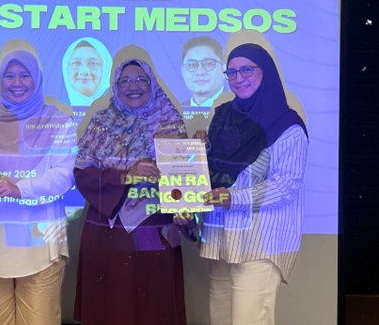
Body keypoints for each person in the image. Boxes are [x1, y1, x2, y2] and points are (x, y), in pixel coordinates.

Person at [73, 58, 194, 325]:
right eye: (125, 81)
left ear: (153, 84)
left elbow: (184, 181)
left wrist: (187, 210)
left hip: (156, 229)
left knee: (154, 307)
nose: (133, 86)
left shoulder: (171, 123)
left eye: (141, 80)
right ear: (115, 87)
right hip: (108, 231)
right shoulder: (101, 122)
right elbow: (82, 173)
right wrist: (126, 176)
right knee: (111, 306)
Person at [0, 49, 77, 325]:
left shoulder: (59, 121)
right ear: (0, 80)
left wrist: (19, 189)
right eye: (9, 76)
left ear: (37, 78)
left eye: (25, 75)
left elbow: (63, 176)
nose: (17, 83)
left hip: (40, 243)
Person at [199, 43, 308, 325]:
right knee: (220, 318)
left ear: (266, 71)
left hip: (261, 242)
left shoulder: (287, 125)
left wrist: (234, 198)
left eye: (247, 69)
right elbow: (215, 171)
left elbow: (286, 185)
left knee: (249, 319)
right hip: (221, 237)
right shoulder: (222, 115)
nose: (239, 78)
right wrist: (197, 152)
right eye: (232, 72)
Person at [62, 37, 112, 107]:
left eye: (93, 63)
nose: (84, 72)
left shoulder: (118, 109)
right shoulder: (57, 108)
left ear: (106, 69)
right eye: (76, 63)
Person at [180, 36, 225, 107]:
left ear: (223, 69)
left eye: (208, 64)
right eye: (192, 65)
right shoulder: (175, 111)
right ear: (183, 71)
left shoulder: (239, 108)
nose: (200, 72)